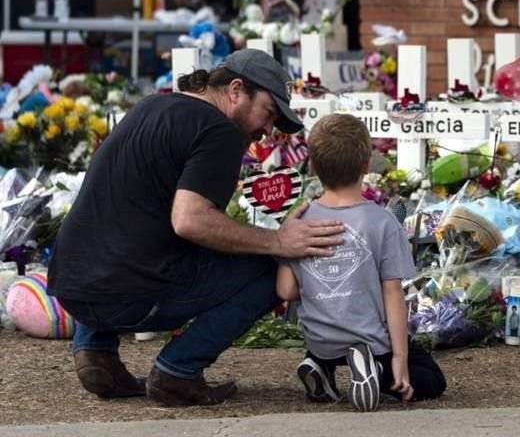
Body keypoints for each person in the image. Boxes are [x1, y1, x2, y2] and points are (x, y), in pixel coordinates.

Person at [47, 49, 345, 407]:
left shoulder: (149, 107)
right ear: (236, 90)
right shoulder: (219, 130)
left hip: (71, 287)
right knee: (274, 268)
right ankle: (178, 372)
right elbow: (190, 220)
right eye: (269, 113)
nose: (268, 131)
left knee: (135, 236)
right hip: (125, 300)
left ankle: (96, 356)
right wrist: (278, 240)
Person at [276, 113, 446, 412]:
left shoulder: (301, 222)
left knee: (329, 330)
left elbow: (286, 292)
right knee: (432, 379)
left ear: (312, 166)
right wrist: (399, 360)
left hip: (321, 341)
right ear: (367, 166)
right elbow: (393, 293)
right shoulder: (382, 221)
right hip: (369, 340)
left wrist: (285, 236)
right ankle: (376, 372)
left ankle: (318, 366)